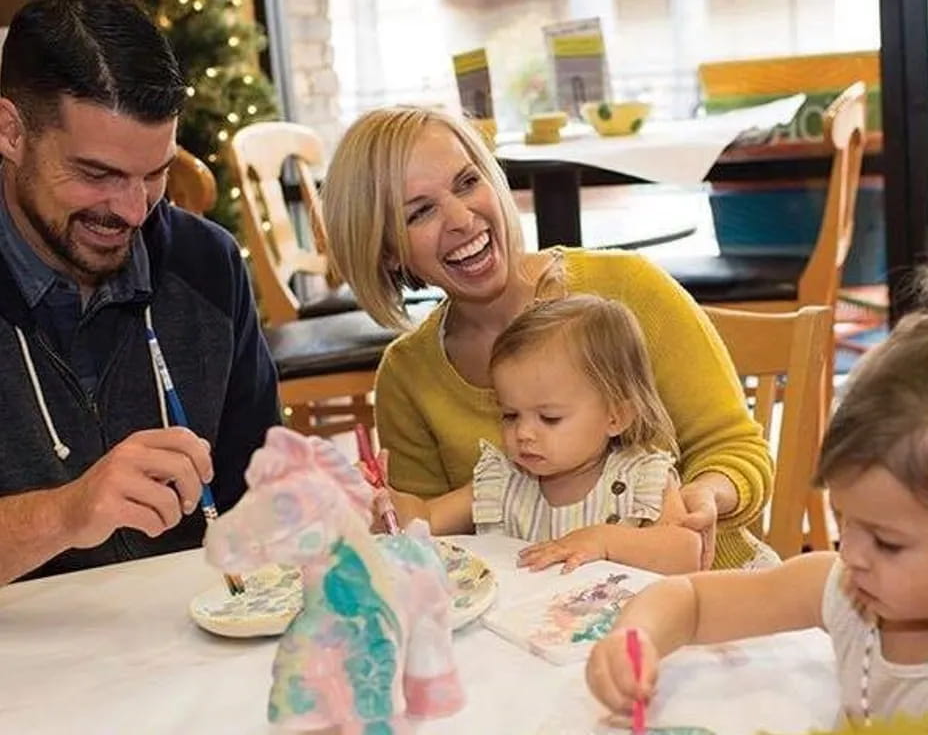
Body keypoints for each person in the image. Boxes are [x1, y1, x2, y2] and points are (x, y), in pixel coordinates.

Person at [323, 105, 773, 570]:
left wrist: (705, 496)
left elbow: (735, 448)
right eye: (420, 212)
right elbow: (431, 547)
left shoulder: (626, 288)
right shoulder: (407, 376)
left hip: (713, 586)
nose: (461, 218)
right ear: (388, 251)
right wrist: (382, 513)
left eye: (468, 182)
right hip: (542, 610)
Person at [0, 0, 279, 585]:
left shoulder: (207, 265)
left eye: (155, 173)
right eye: (96, 174)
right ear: (10, 131)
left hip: (186, 630)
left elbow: (259, 490)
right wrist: (64, 515)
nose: (132, 211)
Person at [585, 312, 928, 727]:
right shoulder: (844, 591)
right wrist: (636, 637)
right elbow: (693, 600)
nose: (851, 553)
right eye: (845, 520)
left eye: (887, 542)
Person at [476, 295, 703, 574]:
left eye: (550, 418)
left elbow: (687, 553)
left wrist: (603, 540)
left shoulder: (641, 477)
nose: (523, 433)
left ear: (616, 417)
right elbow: (429, 519)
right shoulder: (504, 479)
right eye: (510, 415)